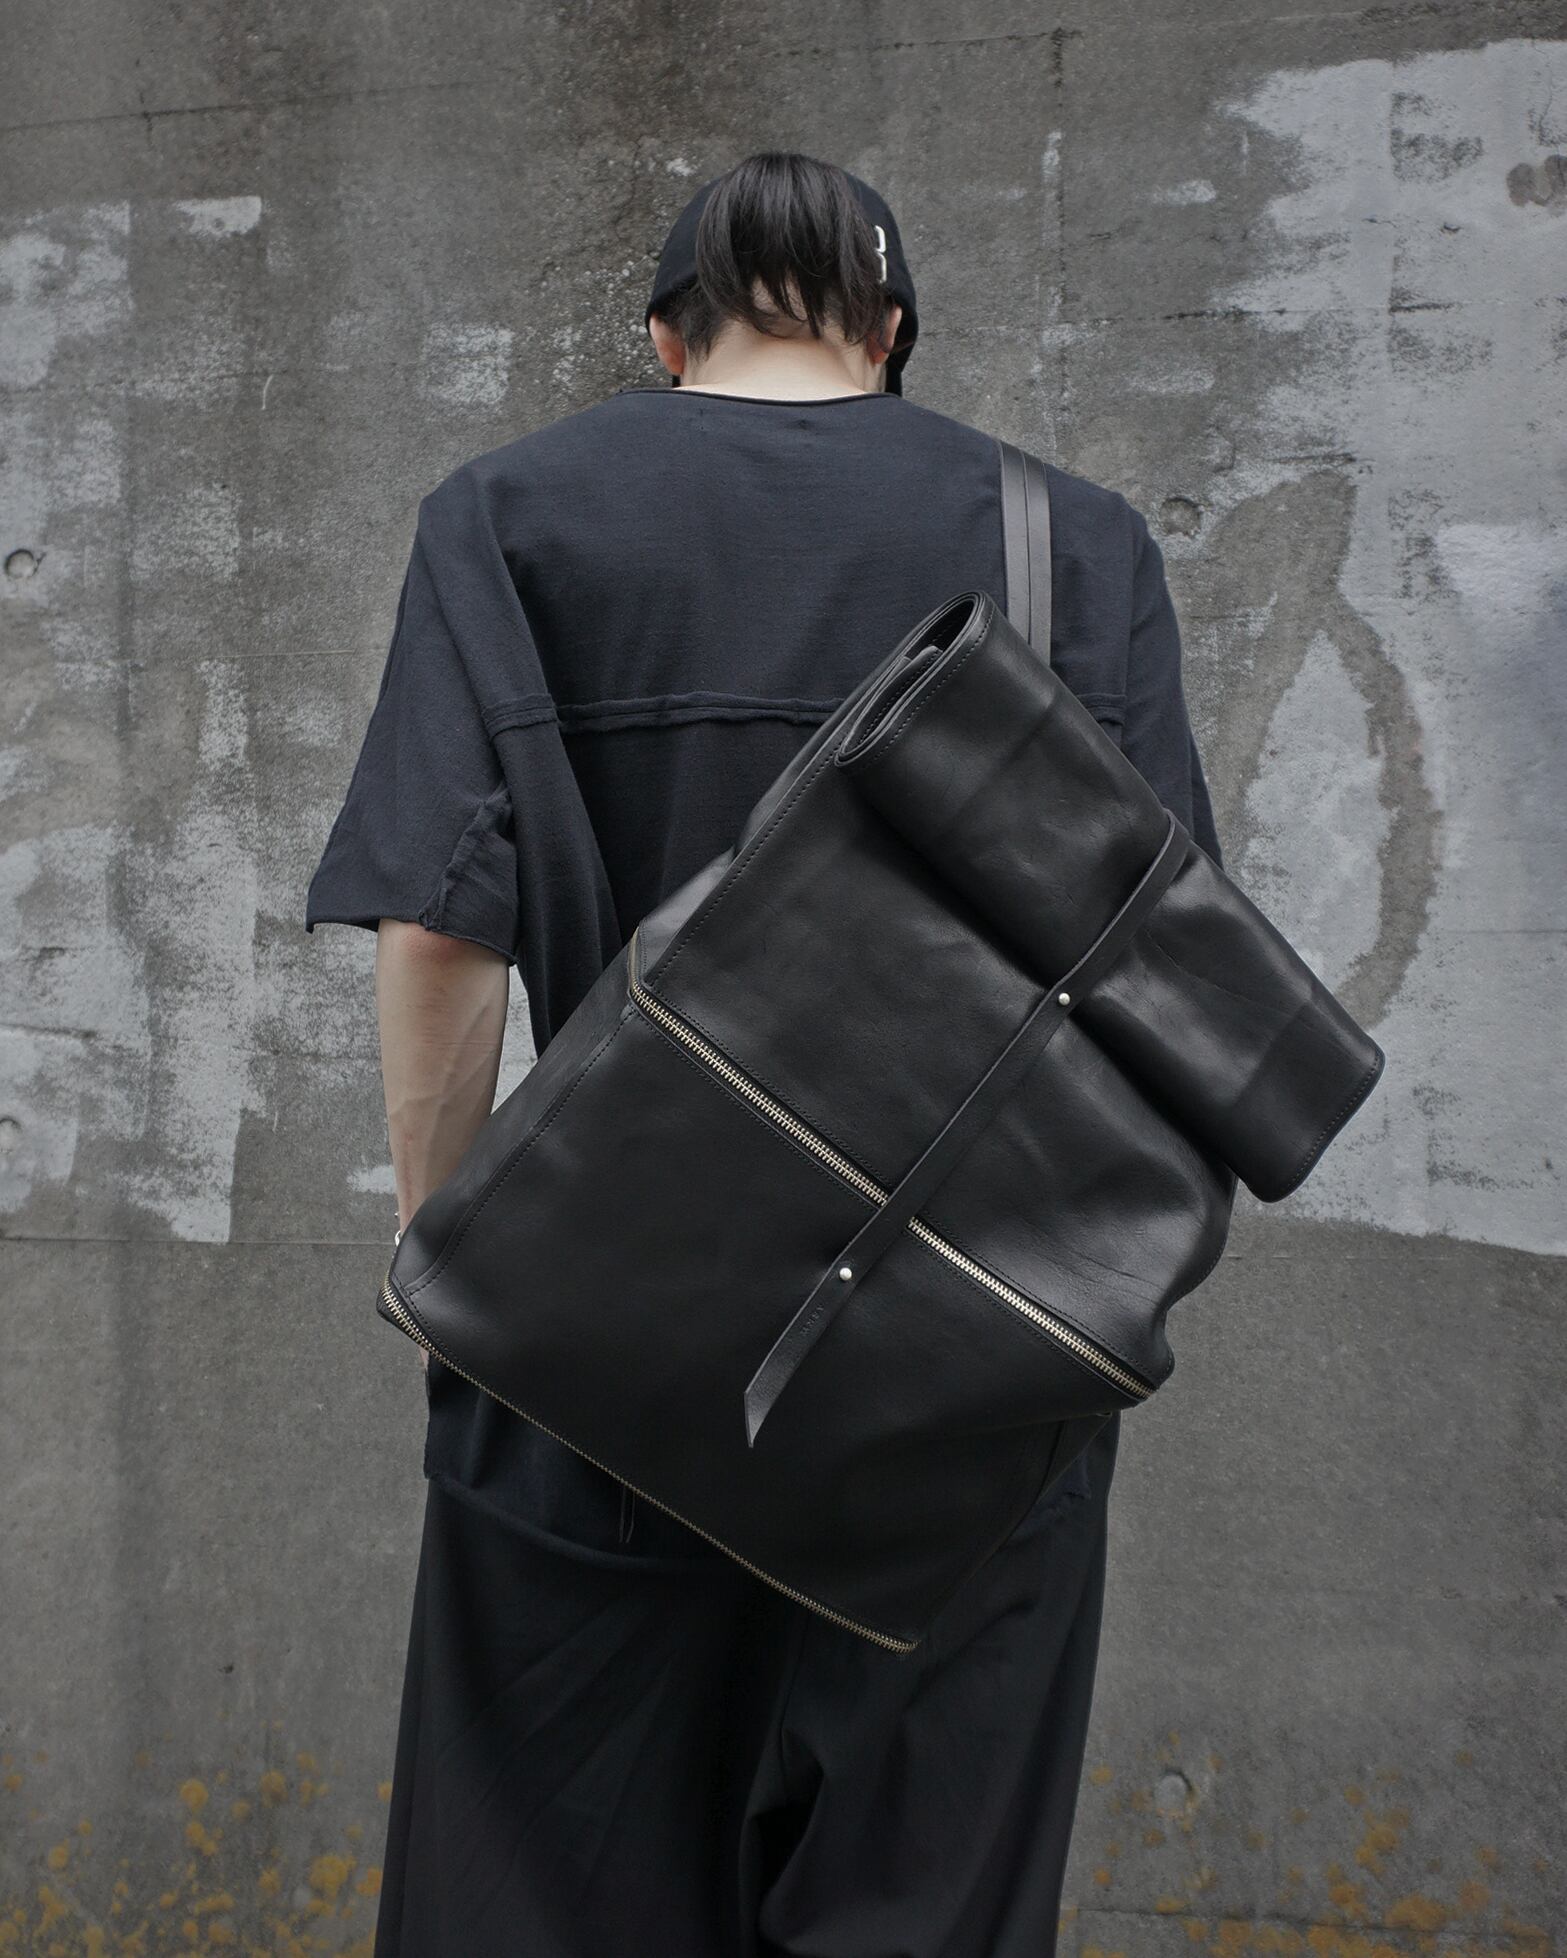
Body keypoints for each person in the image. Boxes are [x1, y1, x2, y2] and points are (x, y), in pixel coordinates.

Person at [305, 150, 1223, 1958]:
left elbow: (443, 933)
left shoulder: (509, 520)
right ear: (892, 335)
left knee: (546, 1900)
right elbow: (1167, 989)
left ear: (666, 338)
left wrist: (451, 1249)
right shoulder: (1073, 546)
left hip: (590, 1357)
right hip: (963, 1388)